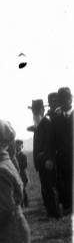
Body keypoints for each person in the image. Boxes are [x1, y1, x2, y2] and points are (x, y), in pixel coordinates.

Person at [30, 95, 61, 219]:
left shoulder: (46, 123)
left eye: (37, 111)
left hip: (47, 161)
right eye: (34, 111)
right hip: (41, 162)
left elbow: (50, 143)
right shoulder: (39, 125)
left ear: (42, 110)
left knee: (50, 188)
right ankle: (50, 212)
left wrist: (49, 158)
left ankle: (55, 214)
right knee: (45, 188)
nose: (35, 113)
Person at [50, 86, 73, 215]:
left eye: (66, 99)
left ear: (71, 99)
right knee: (64, 182)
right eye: (61, 100)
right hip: (63, 158)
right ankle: (68, 206)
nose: (64, 102)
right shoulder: (56, 119)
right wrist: (51, 156)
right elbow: (51, 140)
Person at [14, 140, 29, 208]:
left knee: (23, 190)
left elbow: (24, 165)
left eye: (19, 146)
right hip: (17, 175)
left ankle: (25, 203)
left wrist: (17, 166)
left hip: (23, 175)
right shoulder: (14, 156)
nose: (18, 147)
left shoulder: (23, 156)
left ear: (22, 146)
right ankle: (21, 203)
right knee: (18, 190)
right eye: (16, 145)